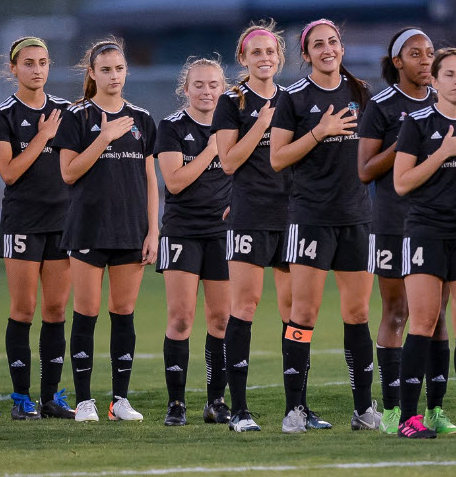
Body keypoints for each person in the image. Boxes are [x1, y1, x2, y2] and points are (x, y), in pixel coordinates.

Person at [270, 19, 380, 434]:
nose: (327, 49)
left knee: (357, 312)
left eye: (333, 42)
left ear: (342, 48)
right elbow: (278, 158)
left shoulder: (362, 94)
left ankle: (363, 409)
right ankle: (295, 409)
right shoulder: (294, 98)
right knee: (304, 313)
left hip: (356, 217)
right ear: (306, 54)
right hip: (311, 218)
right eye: (318, 44)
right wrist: (320, 131)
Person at [394, 47, 456, 439]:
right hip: (426, 232)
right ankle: (408, 418)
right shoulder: (417, 124)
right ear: (434, 81)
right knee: (423, 321)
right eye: (448, 74)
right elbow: (402, 183)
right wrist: (443, 152)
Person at [357, 27, 455, 435]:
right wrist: (404, 146)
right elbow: (364, 170)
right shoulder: (381, 106)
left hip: (439, 223)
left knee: (437, 317)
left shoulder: (445, 103)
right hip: (394, 224)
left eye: (430, 52)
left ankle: (435, 410)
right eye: (415, 53)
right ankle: (395, 410)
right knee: (397, 312)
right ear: (398, 62)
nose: (426, 59)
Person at [54, 38, 158, 423]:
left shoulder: (142, 118)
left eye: (119, 69)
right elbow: (68, 172)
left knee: (124, 312)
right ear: (92, 74)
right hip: (87, 228)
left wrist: (153, 232)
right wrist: (103, 137)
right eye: (106, 70)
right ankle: (84, 401)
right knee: (86, 312)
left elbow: (151, 180)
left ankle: (120, 401)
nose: (114, 76)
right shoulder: (77, 117)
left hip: (131, 230)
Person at [212, 22, 304, 433]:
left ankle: (296, 409)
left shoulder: (295, 100)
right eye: (256, 53)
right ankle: (240, 410)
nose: (265, 59)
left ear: (280, 57)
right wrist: (262, 126)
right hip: (250, 213)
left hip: (292, 216)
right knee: (244, 308)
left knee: (295, 312)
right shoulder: (231, 102)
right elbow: (228, 162)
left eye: (271, 52)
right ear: (243, 59)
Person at [0, 37, 74, 420]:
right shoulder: (3, 115)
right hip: (22, 221)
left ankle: (52, 396)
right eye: (28, 63)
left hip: (63, 221)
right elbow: (8, 173)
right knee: (24, 309)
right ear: (13, 68)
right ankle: (22, 399)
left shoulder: (66, 111)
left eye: (42, 61)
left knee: (55, 309)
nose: (36, 69)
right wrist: (42, 137)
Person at [156, 56, 232, 427]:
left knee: (220, 319)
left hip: (223, 234)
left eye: (213, 84)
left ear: (224, 88)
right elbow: (174, 182)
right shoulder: (171, 127)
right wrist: (211, 150)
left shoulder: (234, 125)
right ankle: (176, 403)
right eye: (198, 84)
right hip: (183, 230)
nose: (206, 91)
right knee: (182, 317)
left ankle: (216, 401)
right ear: (186, 89)